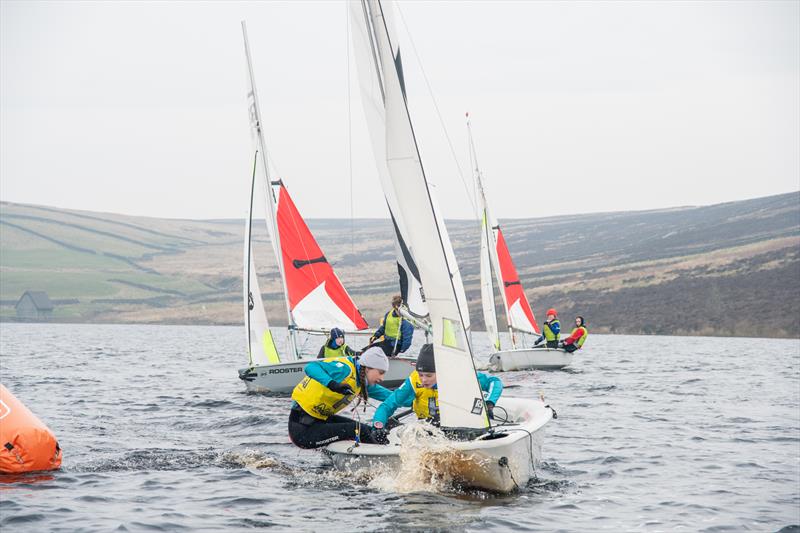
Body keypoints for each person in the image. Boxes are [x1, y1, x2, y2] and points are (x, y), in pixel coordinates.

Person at [371, 344, 504, 434]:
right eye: (421, 374)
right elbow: (388, 405)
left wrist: (490, 403)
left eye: (429, 375)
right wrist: (378, 425)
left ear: (441, 371)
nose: (423, 380)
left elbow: (495, 381)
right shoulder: (413, 380)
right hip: (427, 428)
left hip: (459, 426)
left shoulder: (459, 375)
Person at [289, 347, 393, 449]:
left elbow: (392, 397)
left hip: (320, 421)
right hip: (302, 431)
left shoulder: (360, 381)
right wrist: (332, 384)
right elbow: (310, 367)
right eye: (381, 373)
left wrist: (408, 400)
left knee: (372, 432)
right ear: (367, 368)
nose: (382, 378)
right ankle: (379, 458)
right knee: (360, 430)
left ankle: (388, 450)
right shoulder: (345, 369)